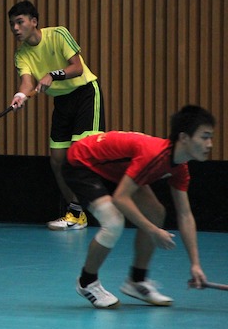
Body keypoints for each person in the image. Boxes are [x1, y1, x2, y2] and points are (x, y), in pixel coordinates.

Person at [66, 105, 215, 308]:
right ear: (184, 138)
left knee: (156, 212)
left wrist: (195, 264)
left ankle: (137, 281)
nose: (210, 144)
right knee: (113, 221)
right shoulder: (154, 155)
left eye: (210, 137)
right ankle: (87, 282)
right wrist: (153, 231)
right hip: (82, 162)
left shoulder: (180, 167)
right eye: (204, 137)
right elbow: (121, 198)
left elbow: (185, 215)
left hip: (114, 169)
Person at [8, 0, 105, 231]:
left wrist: (54, 74)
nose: (15, 28)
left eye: (20, 22)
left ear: (34, 22)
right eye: (12, 24)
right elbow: (27, 81)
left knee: (80, 155)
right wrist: (20, 95)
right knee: (57, 161)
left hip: (85, 95)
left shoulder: (59, 34)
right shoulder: (21, 54)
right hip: (62, 102)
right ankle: (76, 214)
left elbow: (77, 67)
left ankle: (106, 207)